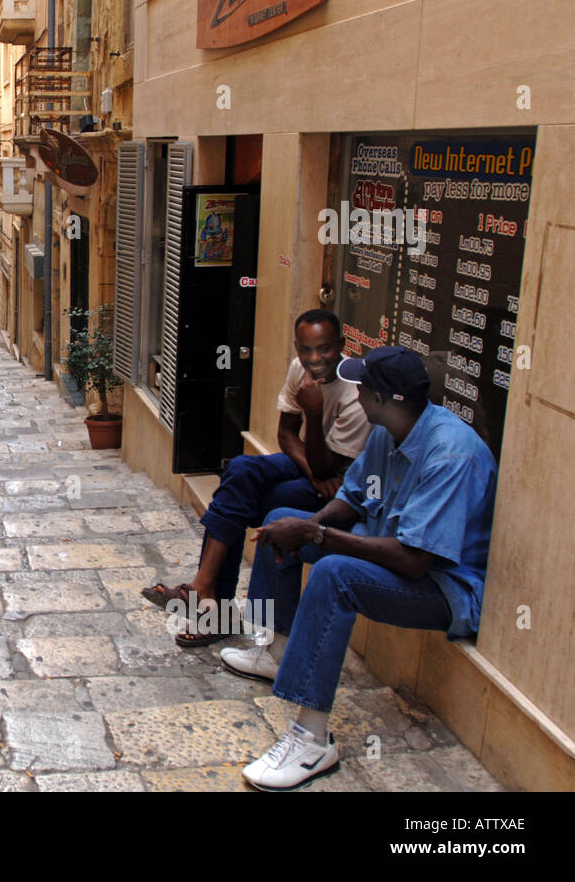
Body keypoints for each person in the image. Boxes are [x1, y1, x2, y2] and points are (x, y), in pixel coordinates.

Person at [224, 345, 497, 790]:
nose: (355, 392)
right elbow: (352, 498)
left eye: (363, 387)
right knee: (279, 523)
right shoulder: (390, 430)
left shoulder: (451, 453)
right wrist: (307, 526)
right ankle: (278, 651)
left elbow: (414, 560)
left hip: (442, 586)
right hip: (389, 552)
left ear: (385, 399)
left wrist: (316, 536)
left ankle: (312, 741)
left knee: (335, 575)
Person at [143, 310, 371, 645]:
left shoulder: (355, 394)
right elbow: (287, 435)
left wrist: (314, 410)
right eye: (305, 350)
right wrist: (310, 468)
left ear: (342, 345)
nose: (314, 359)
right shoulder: (300, 369)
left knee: (235, 504)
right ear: (297, 348)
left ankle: (209, 601)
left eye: (324, 349)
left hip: (342, 483)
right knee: (239, 470)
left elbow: (328, 471)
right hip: (311, 462)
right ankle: (206, 590)